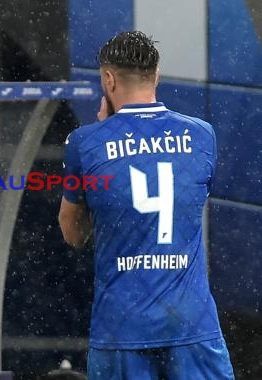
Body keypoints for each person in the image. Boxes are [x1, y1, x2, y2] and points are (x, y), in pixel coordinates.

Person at [58, 31, 235, 379]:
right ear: (156, 75)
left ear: (108, 79)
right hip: (190, 323)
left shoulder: (85, 143)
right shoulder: (202, 135)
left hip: (122, 326)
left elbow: (71, 232)